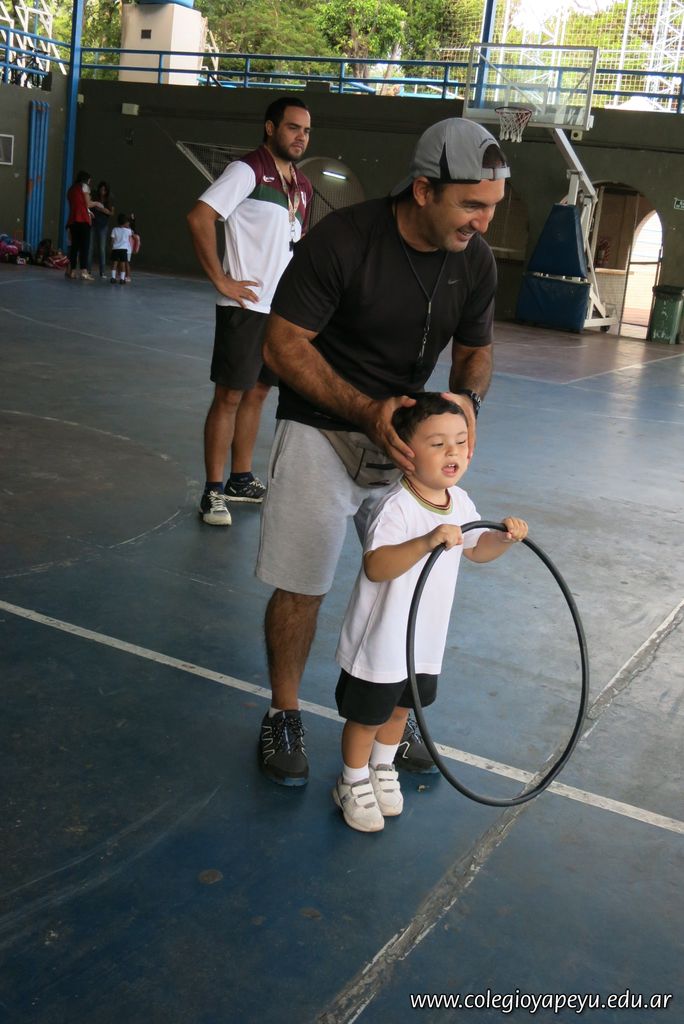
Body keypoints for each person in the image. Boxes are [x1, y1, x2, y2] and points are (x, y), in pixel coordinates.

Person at [256, 117, 511, 787]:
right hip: (322, 425)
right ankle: (284, 713)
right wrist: (364, 410)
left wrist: (467, 402)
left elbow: (476, 351)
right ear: (424, 190)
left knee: (412, 579)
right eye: (472, 205)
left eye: (492, 206)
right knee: (302, 583)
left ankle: (392, 721)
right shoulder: (344, 240)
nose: (483, 221)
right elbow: (281, 345)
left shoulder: (474, 261)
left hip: (403, 441)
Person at [331, 394, 527, 832]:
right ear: (406, 453)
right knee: (367, 717)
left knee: (402, 710)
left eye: (460, 441)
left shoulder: (459, 502)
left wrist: (503, 539)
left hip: (424, 639)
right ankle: (352, 780)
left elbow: (477, 550)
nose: (452, 451)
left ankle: (382, 767)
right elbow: (376, 566)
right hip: (382, 640)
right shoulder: (396, 506)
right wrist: (426, 541)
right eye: (437, 444)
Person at [187, 96, 313, 527]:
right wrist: (221, 279)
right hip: (244, 306)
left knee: (258, 393)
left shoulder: (302, 186)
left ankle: (240, 479)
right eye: (293, 127)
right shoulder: (247, 170)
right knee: (229, 396)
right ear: (270, 128)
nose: (300, 136)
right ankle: (212, 490)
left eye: (306, 131)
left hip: (281, 310)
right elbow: (200, 217)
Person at [65, 171, 107, 281]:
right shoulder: (84, 186)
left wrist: (88, 211)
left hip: (72, 220)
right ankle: (84, 271)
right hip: (83, 220)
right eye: (89, 180)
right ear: (86, 179)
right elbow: (87, 203)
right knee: (85, 247)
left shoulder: (71, 189)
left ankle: (72, 271)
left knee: (74, 247)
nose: (89, 182)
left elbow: (78, 204)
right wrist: (97, 203)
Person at [90, 181, 114, 279]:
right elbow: (89, 205)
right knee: (90, 248)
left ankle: (102, 271)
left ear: (107, 191)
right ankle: (88, 270)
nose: (102, 191)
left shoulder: (109, 199)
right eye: (101, 189)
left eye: (104, 190)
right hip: (92, 223)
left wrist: (102, 209)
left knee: (102, 249)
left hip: (103, 225)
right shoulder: (94, 197)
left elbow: (111, 213)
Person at [110, 213, 132, 284]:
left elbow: (112, 240)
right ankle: (122, 279)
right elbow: (130, 240)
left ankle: (113, 278)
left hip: (115, 249)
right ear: (125, 222)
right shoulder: (128, 231)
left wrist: (112, 247)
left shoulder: (114, 229)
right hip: (124, 249)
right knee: (123, 264)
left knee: (114, 263)